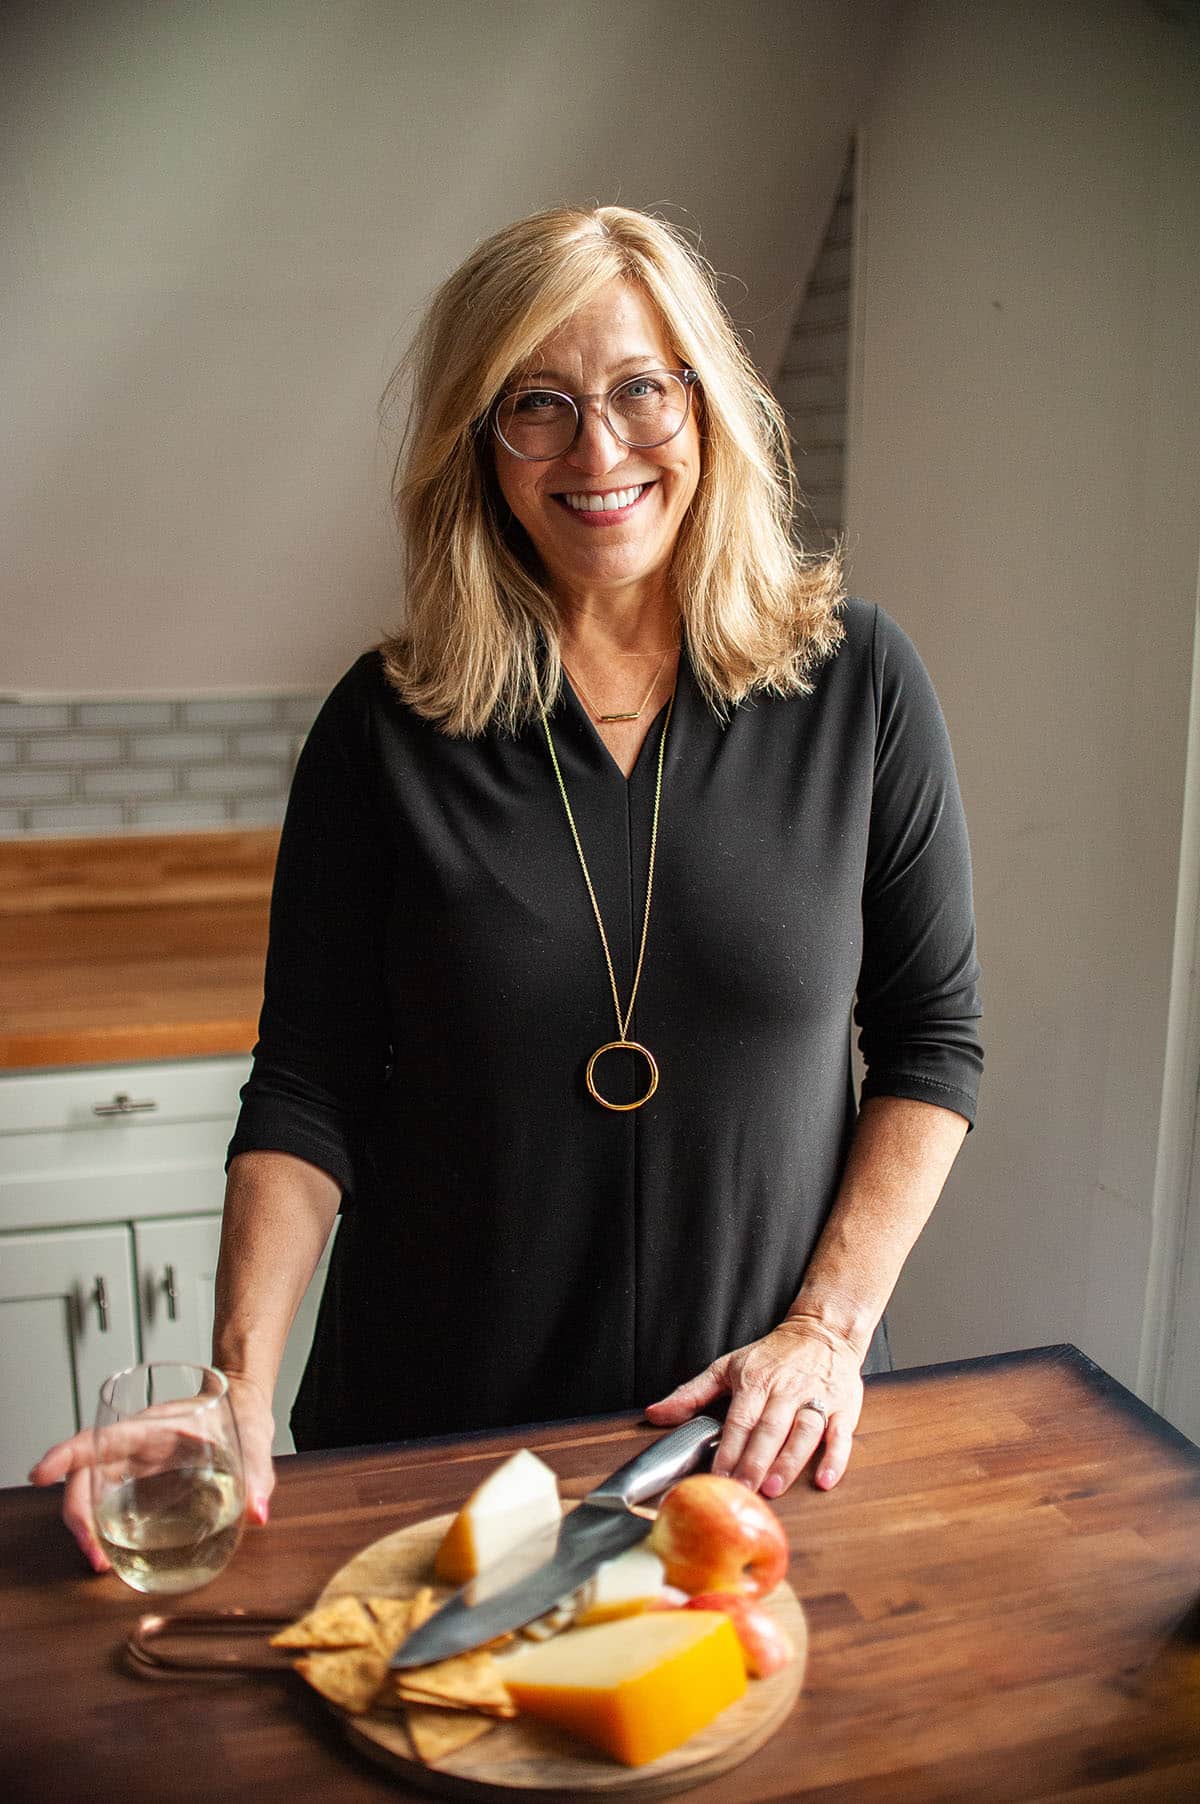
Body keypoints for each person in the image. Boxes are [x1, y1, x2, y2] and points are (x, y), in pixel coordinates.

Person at [32, 205, 981, 1572]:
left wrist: (828, 1331)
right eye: (536, 405)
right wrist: (238, 1380)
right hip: (433, 1438)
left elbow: (931, 1043)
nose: (598, 451)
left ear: (708, 405)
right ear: (477, 449)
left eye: (640, 390)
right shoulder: (384, 727)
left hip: (753, 1430)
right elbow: (306, 1085)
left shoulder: (860, 686)